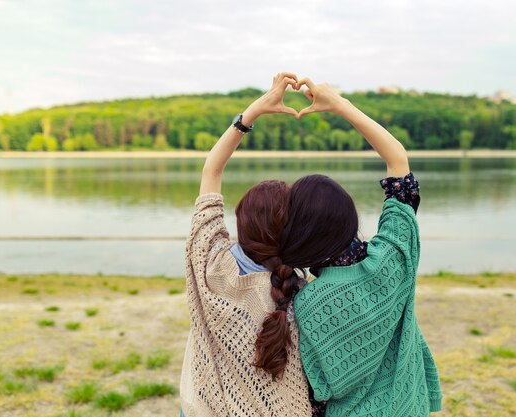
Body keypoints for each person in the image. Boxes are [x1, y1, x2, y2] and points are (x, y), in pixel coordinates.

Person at [286, 78, 444, 416]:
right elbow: (398, 163)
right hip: (407, 407)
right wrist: (339, 104)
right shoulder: (391, 259)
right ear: (347, 217)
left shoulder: (307, 301)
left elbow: (317, 393)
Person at [180, 72, 313, 417]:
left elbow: (212, 170)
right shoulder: (305, 293)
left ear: (242, 221)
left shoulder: (212, 265)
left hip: (201, 408)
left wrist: (251, 113)